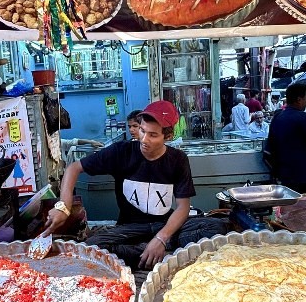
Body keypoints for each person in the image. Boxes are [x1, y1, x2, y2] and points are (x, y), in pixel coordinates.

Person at [42, 100, 228, 270]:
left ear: (168, 136)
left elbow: (183, 207)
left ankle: (151, 253)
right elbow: (74, 168)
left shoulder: (178, 159)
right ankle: (162, 257)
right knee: (94, 246)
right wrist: (63, 206)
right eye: (142, 130)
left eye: (153, 135)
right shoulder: (121, 152)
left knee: (216, 227)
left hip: (164, 225)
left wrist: (161, 238)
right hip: (130, 228)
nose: (144, 139)